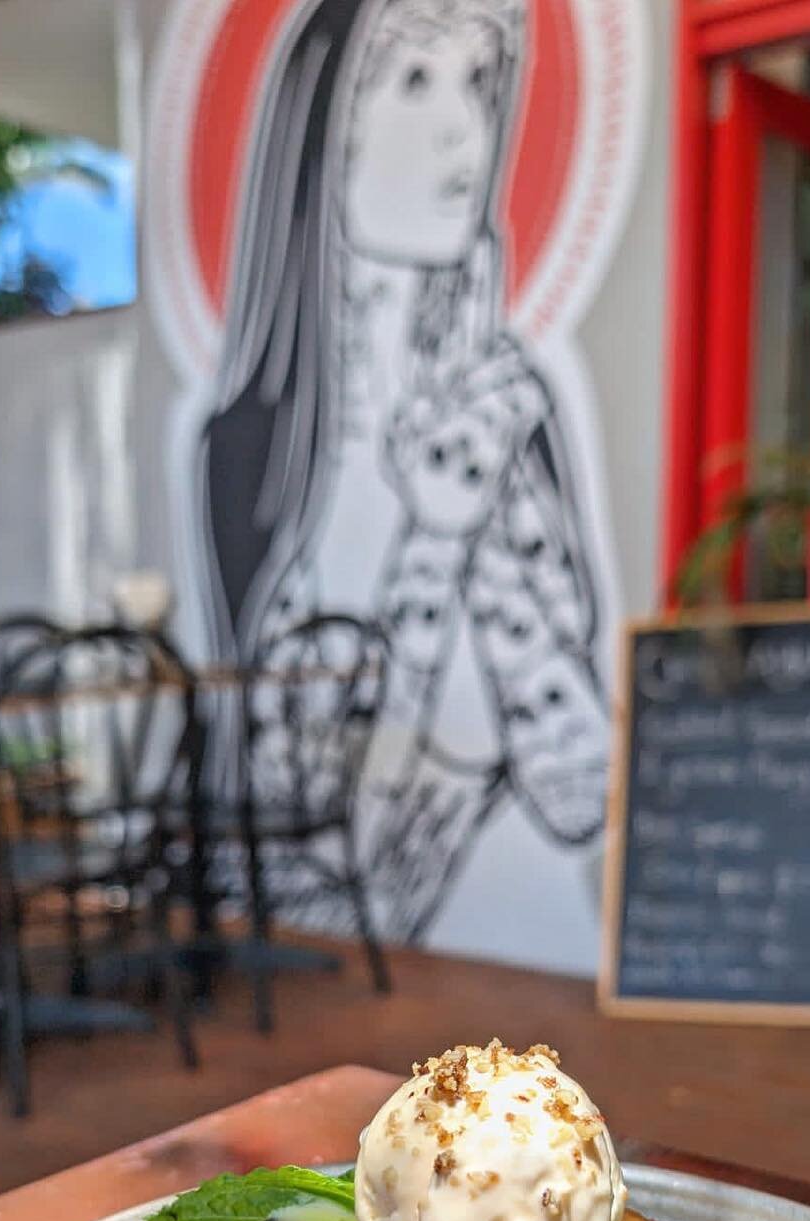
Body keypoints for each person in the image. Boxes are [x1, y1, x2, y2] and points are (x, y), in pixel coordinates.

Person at [196, 0, 609, 941]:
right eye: (415, 81)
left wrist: (482, 517)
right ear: (325, 132)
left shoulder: (508, 409)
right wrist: (434, 540)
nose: (466, 129)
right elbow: (314, 850)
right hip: (325, 970)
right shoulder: (253, 448)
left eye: (481, 81)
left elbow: (583, 791)